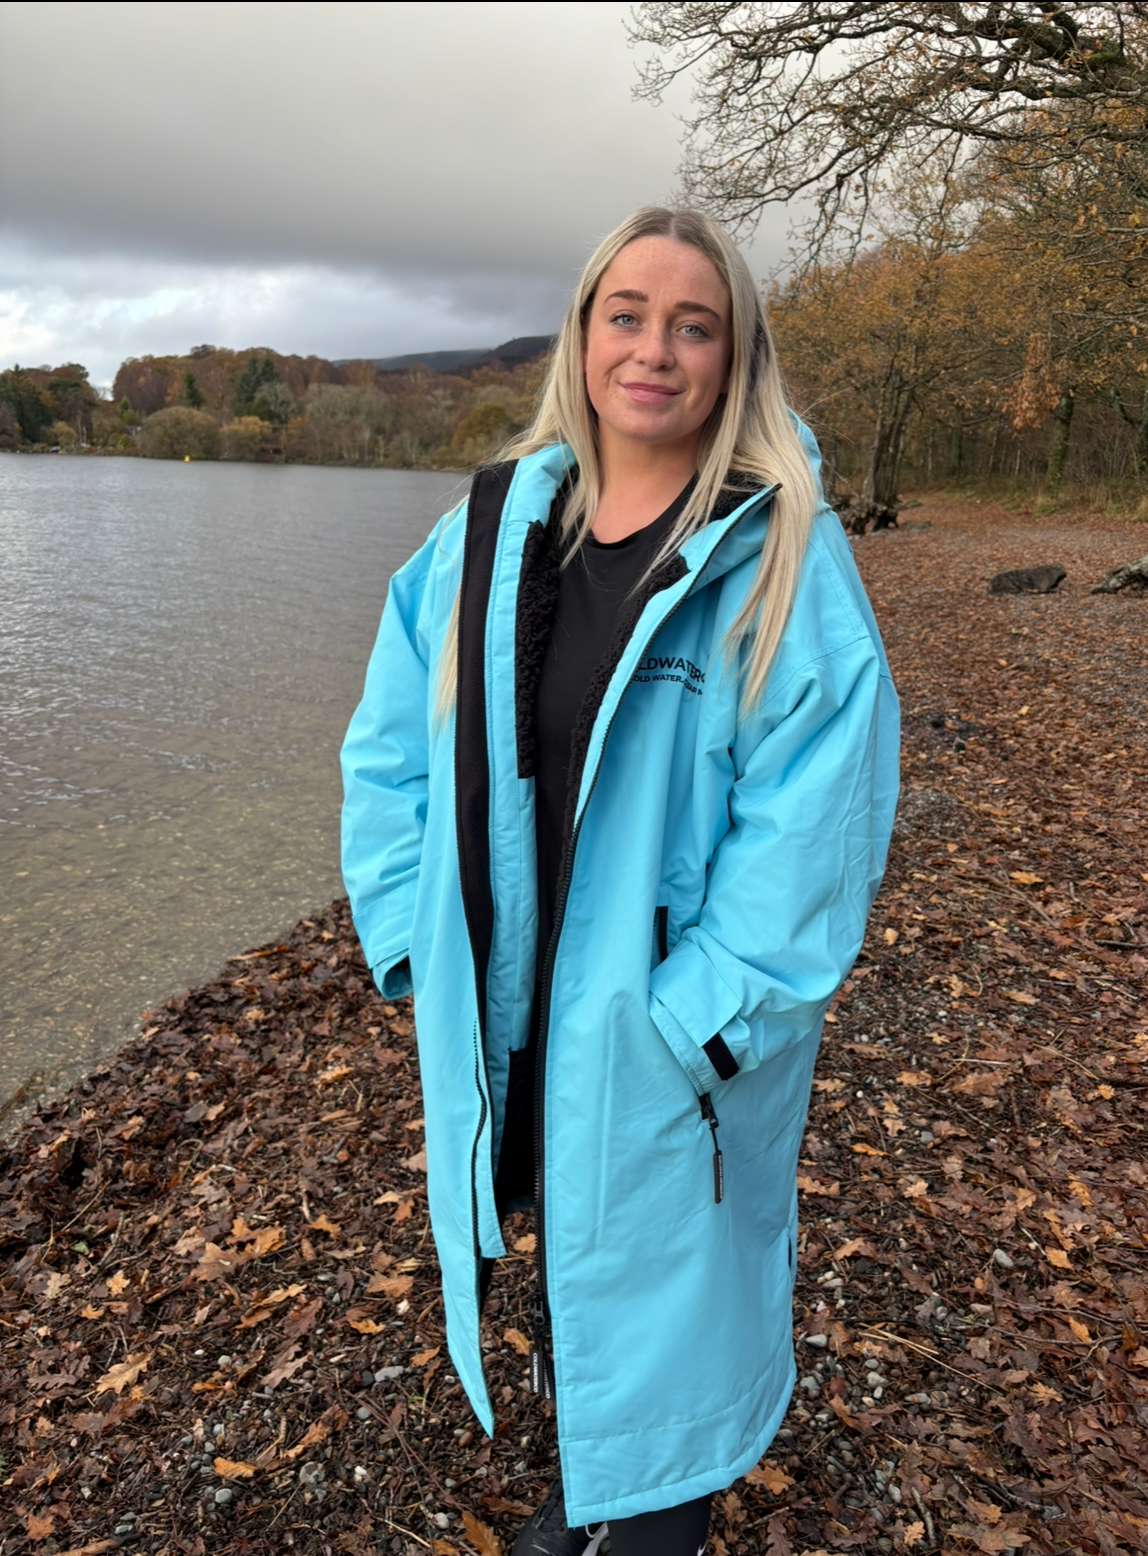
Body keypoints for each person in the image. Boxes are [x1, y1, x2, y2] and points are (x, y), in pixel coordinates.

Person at [341, 207, 899, 1556]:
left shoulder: (777, 556)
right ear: (584, 337)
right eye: (627, 315)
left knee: (677, 1301)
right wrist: (416, 940)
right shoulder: (483, 534)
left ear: (733, 357)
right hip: (510, 1011)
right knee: (571, 1259)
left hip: (663, 1040)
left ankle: (643, 1527)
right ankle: (592, 1495)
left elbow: (814, 833)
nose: (655, 348)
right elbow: (383, 754)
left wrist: (693, 1027)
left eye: (693, 323)